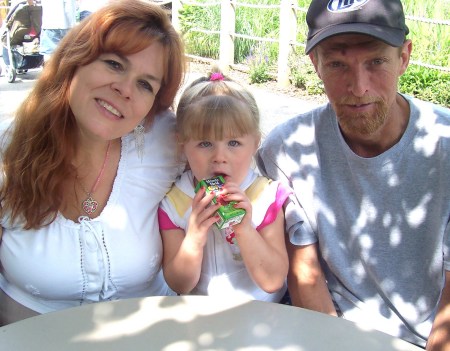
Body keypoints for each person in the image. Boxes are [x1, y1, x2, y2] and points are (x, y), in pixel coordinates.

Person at [256, 0, 450, 349]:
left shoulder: (445, 148)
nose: (358, 87)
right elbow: (304, 274)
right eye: (337, 64)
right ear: (316, 65)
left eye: (375, 62)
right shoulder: (285, 149)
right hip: (330, 332)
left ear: (404, 57)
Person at [0, 0, 185, 325]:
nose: (125, 89)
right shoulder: (11, 147)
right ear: (74, 61)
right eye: (114, 64)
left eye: (146, 84)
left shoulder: (166, 144)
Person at [158, 69, 291, 302]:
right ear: (183, 144)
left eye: (233, 143)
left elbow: (273, 281)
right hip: (201, 313)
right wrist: (195, 235)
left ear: (254, 144)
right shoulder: (175, 203)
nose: (220, 157)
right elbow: (179, 284)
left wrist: (245, 229)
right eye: (205, 143)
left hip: (261, 314)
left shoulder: (265, 197)